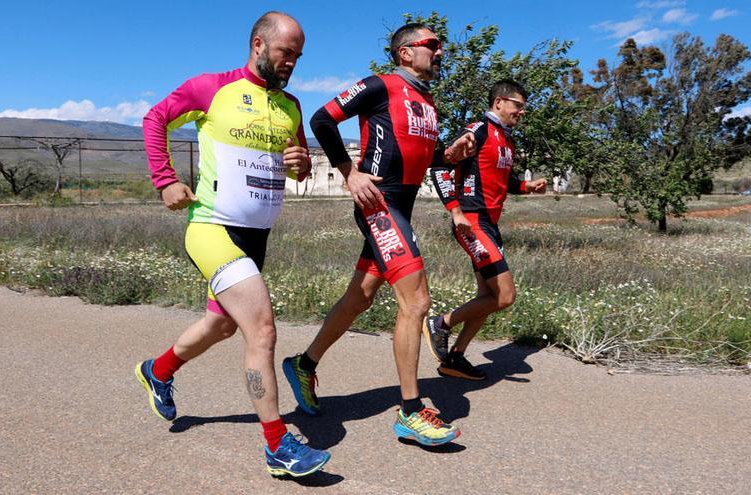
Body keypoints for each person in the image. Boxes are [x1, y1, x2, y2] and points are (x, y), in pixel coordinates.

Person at [135, 11, 330, 477]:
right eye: (286, 53)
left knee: (221, 326)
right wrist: (165, 180)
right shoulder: (212, 87)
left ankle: (157, 370)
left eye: (298, 57)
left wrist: (300, 163)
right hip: (212, 229)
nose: (292, 64)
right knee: (261, 330)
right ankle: (278, 445)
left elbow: (296, 166)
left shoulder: (290, 106)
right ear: (259, 45)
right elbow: (154, 117)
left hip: (256, 236)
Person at [281, 23, 475, 447]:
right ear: (405, 53)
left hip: (401, 207)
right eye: (432, 45)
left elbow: (418, 154)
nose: (441, 51)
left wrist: (448, 154)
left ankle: (303, 363)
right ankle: (410, 412)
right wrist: (349, 173)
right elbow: (322, 120)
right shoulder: (379, 85)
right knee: (417, 301)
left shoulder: (426, 100)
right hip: (379, 205)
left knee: (361, 297)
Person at [424, 80, 547, 380]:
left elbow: (503, 182)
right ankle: (440, 323)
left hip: (490, 225)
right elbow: (439, 166)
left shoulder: (506, 140)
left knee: (486, 297)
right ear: (499, 103)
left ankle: (455, 358)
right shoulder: (477, 129)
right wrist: (455, 211)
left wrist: (526, 187)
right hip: (472, 222)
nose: (521, 112)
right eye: (518, 105)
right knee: (504, 296)